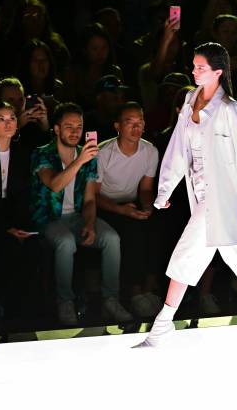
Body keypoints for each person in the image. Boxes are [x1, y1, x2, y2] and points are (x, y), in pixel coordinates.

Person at [135, 42, 237, 348]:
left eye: (201, 67)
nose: (194, 71)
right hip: (200, 192)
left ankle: (162, 324)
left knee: (185, 255)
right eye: (194, 66)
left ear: (218, 72)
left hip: (223, 197)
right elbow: (178, 149)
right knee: (234, 255)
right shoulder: (189, 101)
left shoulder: (229, 109)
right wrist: (166, 188)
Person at [30, 102, 131, 325]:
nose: (75, 131)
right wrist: (79, 161)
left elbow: (89, 199)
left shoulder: (87, 156)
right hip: (48, 218)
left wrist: (89, 223)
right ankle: (65, 302)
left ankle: (110, 300)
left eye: (79, 126)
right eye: (69, 126)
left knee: (112, 238)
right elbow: (54, 184)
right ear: (56, 129)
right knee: (65, 242)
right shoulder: (42, 154)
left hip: (76, 217)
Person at [0, 101, 45, 319]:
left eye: (12, 118)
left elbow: (24, 195)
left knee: (32, 247)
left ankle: (24, 311)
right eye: (1, 119)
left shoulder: (23, 153)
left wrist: (19, 226)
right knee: (4, 246)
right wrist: (6, 228)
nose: (8, 123)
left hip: (15, 215)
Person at [96, 102, 161, 317]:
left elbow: (145, 188)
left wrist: (148, 207)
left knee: (157, 225)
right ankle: (134, 293)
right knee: (131, 231)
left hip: (132, 204)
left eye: (139, 122)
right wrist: (122, 210)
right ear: (118, 126)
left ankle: (149, 289)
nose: (136, 127)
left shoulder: (149, 151)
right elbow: (93, 195)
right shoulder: (104, 152)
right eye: (129, 122)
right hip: (106, 207)